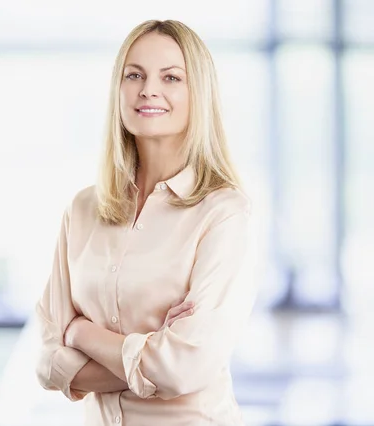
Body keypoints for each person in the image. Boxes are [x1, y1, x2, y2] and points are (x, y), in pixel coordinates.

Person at [35, 19, 256, 426]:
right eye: (133, 75)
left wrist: (82, 335)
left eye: (171, 77)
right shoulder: (82, 210)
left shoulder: (223, 214)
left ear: (199, 95)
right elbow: (47, 363)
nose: (148, 89)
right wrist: (149, 354)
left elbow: (183, 368)